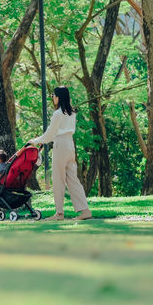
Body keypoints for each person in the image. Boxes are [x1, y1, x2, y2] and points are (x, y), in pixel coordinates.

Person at [28, 86, 92, 220]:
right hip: (70, 145)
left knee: (58, 179)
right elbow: (52, 135)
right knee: (73, 179)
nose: (52, 97)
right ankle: (85, 210)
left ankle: (59, 213)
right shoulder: (71, 113)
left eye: (54, 95)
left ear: (58, 97)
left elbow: (50, 134)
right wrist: (43, 140)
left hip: (60, 145)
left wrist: (35, 141)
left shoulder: (57, 114)